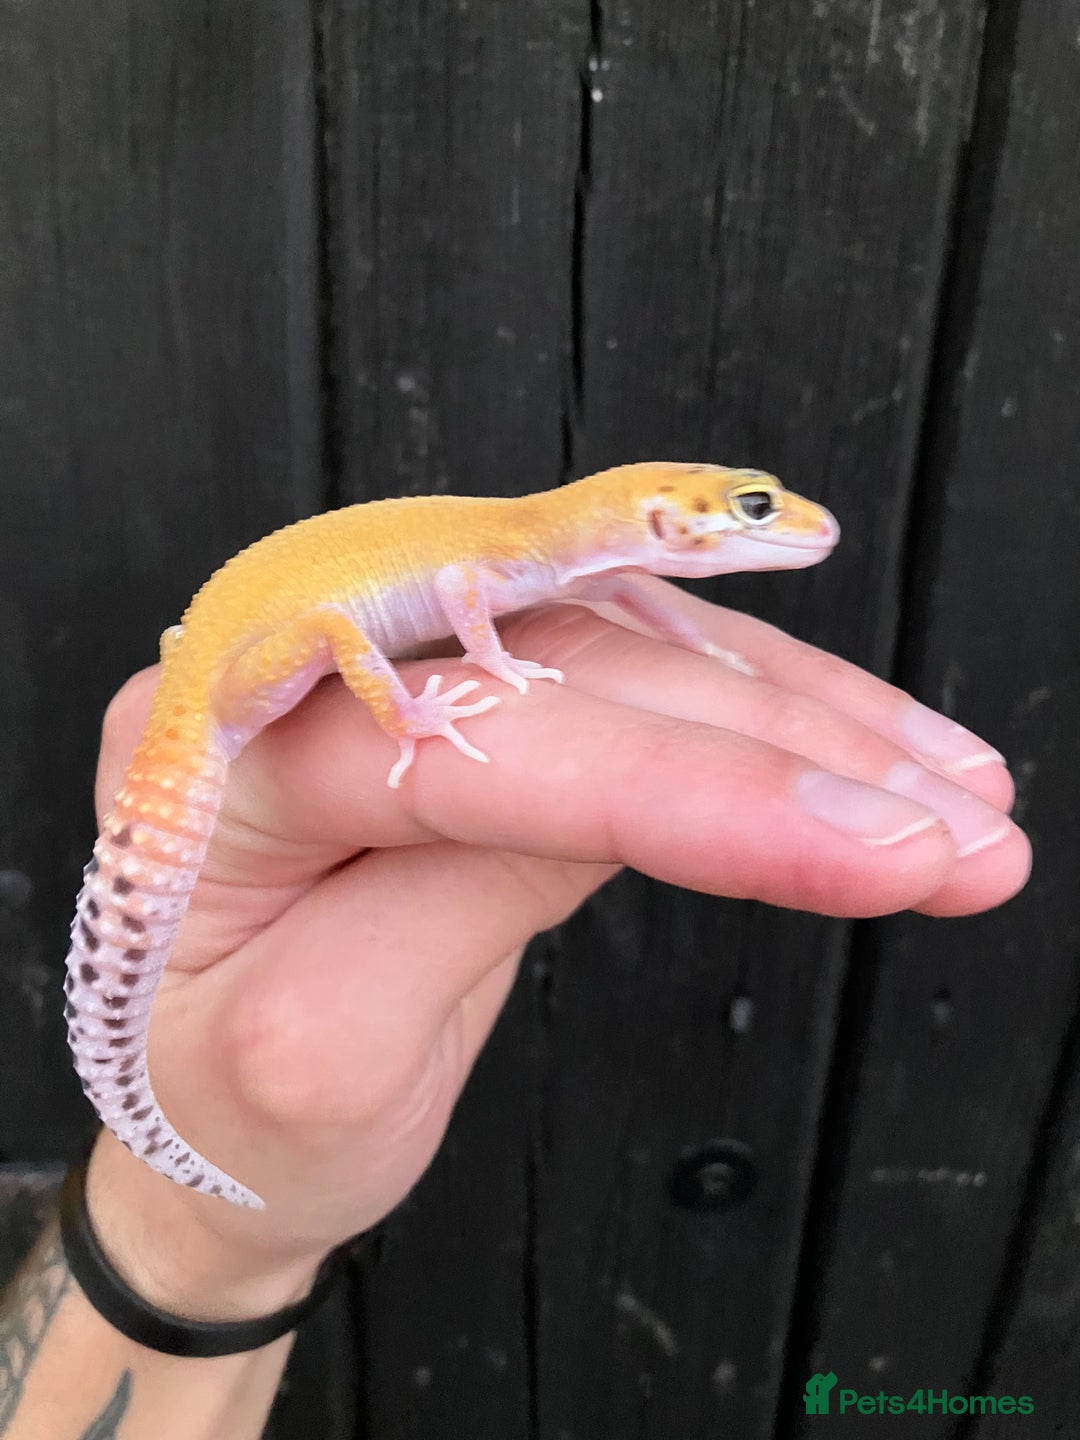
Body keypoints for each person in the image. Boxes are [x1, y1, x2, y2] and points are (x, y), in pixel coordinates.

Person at [0, 584, 1029, 1438]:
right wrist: (412, 714)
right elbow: (441, 602)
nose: (800, 539)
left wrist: (199, 1237)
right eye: (747, 510)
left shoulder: (557, 566)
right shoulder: (508, 563)